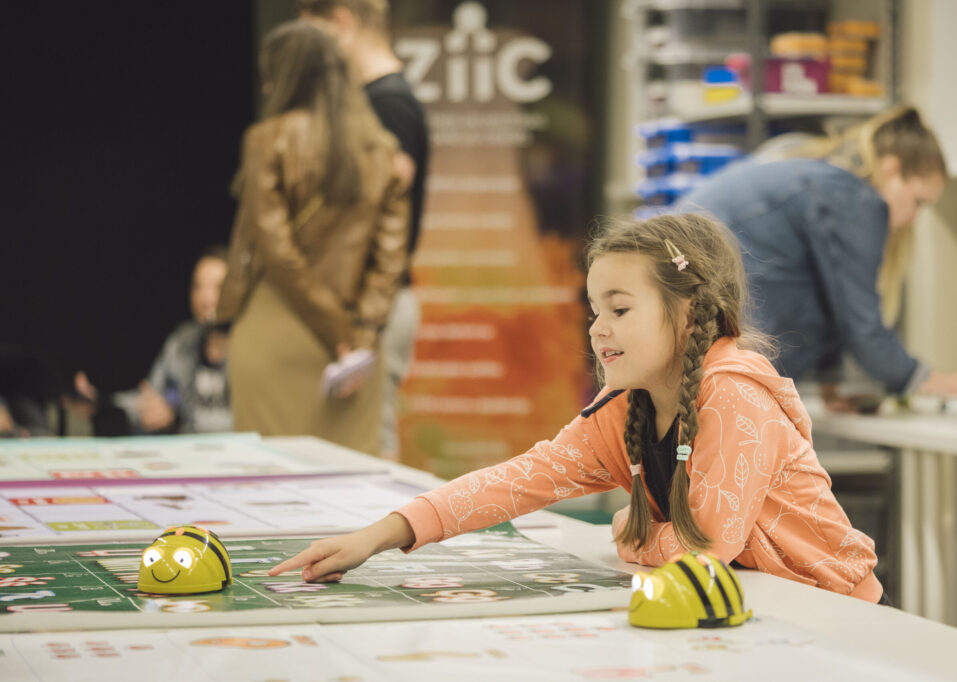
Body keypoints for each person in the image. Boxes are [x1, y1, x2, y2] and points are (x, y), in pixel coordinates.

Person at [269, 214, 886, 603]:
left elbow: (705, 551)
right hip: (744, 609)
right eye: (594, 310)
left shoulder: (735, 395)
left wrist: (630, 534)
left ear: (690, 310)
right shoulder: (626, 410)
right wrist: (377, 536)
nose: (598, 328)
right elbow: (516, 481)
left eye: (620, 309)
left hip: (831, 613)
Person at [683, 106, 957, 403]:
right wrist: (936, 381)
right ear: (892, 170)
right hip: (699, 311)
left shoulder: (823, 178)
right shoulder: (857, 200)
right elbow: (863, 327)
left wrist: (830, 382)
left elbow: (825, 296)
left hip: (678, 299)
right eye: (918, 201)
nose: (915, 218)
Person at [216, 20, 409, 454]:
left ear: (283, 75)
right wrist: (358, 334)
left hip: (276, 326)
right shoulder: (383, 149)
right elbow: (389, 261)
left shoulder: (266, 139)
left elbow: (276, 250)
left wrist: (336, 330)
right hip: (355, 350)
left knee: (272, 484)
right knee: (352, 484)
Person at [299, 0, 430, 460]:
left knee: (369, 447)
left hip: (375, 303)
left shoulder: (388, 103)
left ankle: (384, 535)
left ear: (341, 23)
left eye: (311, 33)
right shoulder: (376, 99)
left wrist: (364, 318)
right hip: (367, 303)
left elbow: (383, 215)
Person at [75, 247, 233, 435]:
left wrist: (177, 419)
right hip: (186, 454)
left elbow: (250, 419)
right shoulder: (183, 341)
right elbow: (151, 396)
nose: (205, 298)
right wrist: (102, 402)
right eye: (197, 286)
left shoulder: (252, 349)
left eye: (218, 287)